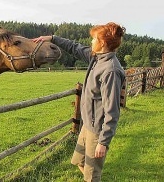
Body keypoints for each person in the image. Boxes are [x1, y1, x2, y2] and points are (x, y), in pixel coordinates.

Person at [33, 22, 126, 182]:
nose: (91, 42)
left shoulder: (110, 70)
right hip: (87, 126)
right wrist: (52, 38)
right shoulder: (96, 58)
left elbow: (112, 112)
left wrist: (103, 142)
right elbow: (74, 47)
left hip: (97, 131)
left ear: (102, 43)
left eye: (94, 39)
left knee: (91, 176)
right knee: (79, 162)